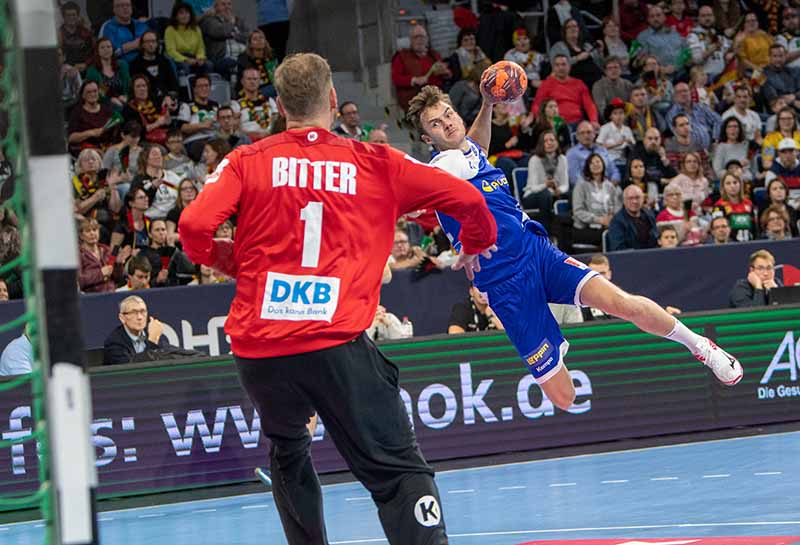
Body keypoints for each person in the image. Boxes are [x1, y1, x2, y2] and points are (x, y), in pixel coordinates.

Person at [179, 53, 498, 545]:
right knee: (397, 471)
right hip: (334, 343)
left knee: (288, 449)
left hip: (259, 350)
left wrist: (233, 261)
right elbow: (470, 200)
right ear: (332, 99)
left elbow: (194, 227)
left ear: (280, 105)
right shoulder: (375, 162)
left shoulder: (246, 160)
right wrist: (474, 245)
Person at [405, 81, 743, 425]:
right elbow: (430, 179)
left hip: (537, 252)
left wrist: (489, 104)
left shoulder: (467, 151)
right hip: (505, 284)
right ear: (428, 140)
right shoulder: (445, 164)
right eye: (436, 124)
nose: (447, 122)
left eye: (448, 114)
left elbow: (475, 144)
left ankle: (700, 346)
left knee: (621, 303)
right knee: (564, 397)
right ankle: (552, 344)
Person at [391, 24, 451, 113]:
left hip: (437, 93)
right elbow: (396, 78)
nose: (419, 40)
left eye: (422, 37)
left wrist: (445, 73)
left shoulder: (434, 55)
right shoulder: (402, 56)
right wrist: (414, 80)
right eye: (416, 37)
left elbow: (448, 74)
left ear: (427, 39)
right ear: (410, 40)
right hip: (415, 97)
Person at [526, 54, 599, 128]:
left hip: (578, 121)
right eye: (557, 65)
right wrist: (532, 117)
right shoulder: (546, 84)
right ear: (553, 68)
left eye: (563, 64)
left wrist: (594, 120)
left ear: (569, 66)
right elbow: (537, 104)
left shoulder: (579, 84)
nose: (561, 68)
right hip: (556, 122)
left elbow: (589, 105)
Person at [572, 153, 623, 248]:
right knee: (610, 237)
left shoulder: (610, 186)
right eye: (592, 163)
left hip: (607, 226)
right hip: (586, 228)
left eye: (598, 161)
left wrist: (611, 218)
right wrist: (599, 220)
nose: (595, 164)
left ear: (603, 164)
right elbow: (578, 211)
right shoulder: (581, 185)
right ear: (588, 167)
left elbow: (617, 207)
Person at [103, 295, 171, 364]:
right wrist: (152, 342)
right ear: (122, 318)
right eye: (133, 312)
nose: (139, 317)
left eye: (143, 311)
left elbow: (168, 355)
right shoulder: (114, 342)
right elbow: (132, 369)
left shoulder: (150, 332)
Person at [523, 130, 568, 229]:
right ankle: (546, 231)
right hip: (532, 195)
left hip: (554, 193)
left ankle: (565, 231)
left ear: (557, 142)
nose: (549, 143)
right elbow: (534, 188)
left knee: (571, 193)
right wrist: (546, 185)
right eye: (546, 141)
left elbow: (565, 184)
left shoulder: (562, 159)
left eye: (552, 140)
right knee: (545, 194)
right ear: (541, 144)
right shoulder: (535, 160)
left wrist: (559, 190)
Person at [199, 0, 249, 79]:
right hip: (221, 58)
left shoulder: (239, 20)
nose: (227, 7)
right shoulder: (209, 20)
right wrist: (230, 23)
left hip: (242, 56)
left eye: (229, 4)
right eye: (223, 4)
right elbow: (219, 32)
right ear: (216, 7)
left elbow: (247, 37)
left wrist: (234, 35)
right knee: (234, 63)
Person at [549, 18, 603, 90]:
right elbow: (556, 67)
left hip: (596, 82)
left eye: (575, 26)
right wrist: (577, 58)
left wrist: (600, 52)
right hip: (575, 83)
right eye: (569, 27)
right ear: (564, 31)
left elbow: (601, 65)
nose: (573, 29)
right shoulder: (558, 47)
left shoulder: (587, 46)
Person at [130, 144, 181, 220]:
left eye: (160, 154)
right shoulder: (139, 180)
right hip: (152, 218)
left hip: (174, 218)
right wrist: (152, 188)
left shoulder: (172, 176)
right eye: (154, 154)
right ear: (145, 158)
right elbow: (137, 204)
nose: (159, 157)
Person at [77, 217, 128, 293]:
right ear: (81, 236)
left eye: (94, 230)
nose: (92, 233)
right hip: (92, 297)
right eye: (88, 231)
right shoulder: (79, 254)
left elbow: (118, 278)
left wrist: (118, 264)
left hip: (111, 293)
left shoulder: (107, 250)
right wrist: (100, 274)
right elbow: (79, 281)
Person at [666, 82, 721, 150]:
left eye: (685, 91)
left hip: (712, 147)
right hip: (691, 151)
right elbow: (678, 135)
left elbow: (718, 120)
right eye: (679, 92)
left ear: (690, 92)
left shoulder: (701, 107)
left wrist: (715, 139)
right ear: (674, 96)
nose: (683, 94)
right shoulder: (672, 114)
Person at [129, 30, 180, 102]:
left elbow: (173, 84)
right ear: (142, 44)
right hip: (147, 102)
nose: (151, 44)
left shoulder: (165, 61)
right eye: (147, 42)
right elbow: (135, 89)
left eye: (153, 41)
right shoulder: (135, 64)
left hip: (167, 99)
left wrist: (170, 97)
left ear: (157, 44)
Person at [165, 2, 212, 79]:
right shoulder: (170, 30)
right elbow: (171, 51)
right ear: (176, 16)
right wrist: (186, 60)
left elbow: (201, 47)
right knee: (185, 67)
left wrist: (200, 57)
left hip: (194, 57)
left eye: (187, 13)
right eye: (181, 13)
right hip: (179, 58)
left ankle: (203, 87)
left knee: (208, 65)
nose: (185, 16)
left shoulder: (196, 28)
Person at [178, 74, 219, 161]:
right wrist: (202, 125)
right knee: (210, 149)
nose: (204, 88)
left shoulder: (216, 105)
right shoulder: (187, 105)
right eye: (200, 86)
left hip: (215, 137)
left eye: (206, 86)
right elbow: (182, 128)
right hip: (194, 140)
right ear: (194, 89)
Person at [687, 5, 734, 82]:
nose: (707, 18)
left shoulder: (717, 33)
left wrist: (731, 49)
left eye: (709, 15)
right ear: (698, 18)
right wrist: (714, 48)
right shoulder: (693, 35)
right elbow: (696, 59)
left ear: (714, 17)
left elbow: (726, 51)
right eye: (703, 16)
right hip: (706, 78)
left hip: (722, 76)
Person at [122, 75, 173, 145]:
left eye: (144, 86)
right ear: (133, 90)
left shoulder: (155, 101)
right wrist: (156, 124)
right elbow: (136, 132)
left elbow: (168, 123)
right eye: (138, 86)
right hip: (143, 141)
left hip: (163, 135)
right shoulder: (129, 108)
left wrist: (167, 111)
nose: (142, 89)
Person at [68, 81, 114, 156]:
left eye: (95, 91)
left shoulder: (107, 109)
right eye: (88, 92)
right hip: (85, 150)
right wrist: (90, 133)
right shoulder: (77, 112)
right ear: (83, 95)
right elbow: (71, 138)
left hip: (106, 147)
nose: (92, 94)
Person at [566, 122, 620, 186]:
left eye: (589, 132)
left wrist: (612, 182)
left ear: (594, 134)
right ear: (577, 136)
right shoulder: (572, 153)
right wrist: (594, 187)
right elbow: (574, 178)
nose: (586, 135)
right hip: (586, 189)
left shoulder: (602, 150)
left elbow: (614, 171)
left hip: (608, 186)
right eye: (582, 133)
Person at [231, 66, 278, 141]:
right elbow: (234, 130)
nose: (252, 82)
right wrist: (254, 136)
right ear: (242, 81)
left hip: (269, 140)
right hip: (247, 142)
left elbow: (277, 123)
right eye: (249, 79)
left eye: (255, 79)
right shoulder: (236, 104)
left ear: (259, 81)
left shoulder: (270, 101)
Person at [636, 5, 686, 75]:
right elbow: (639, 61)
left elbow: (685, 52)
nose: (655, 19)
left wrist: (676, 67)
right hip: (658, 75)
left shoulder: (674, 33)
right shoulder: (643, 36)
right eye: (652, 16)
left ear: (664, 17)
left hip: (681, 73)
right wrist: (659, 68)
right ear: (648, 20)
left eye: (658, 15)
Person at [607, 184, 658, 251]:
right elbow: (618, 248)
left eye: (637, 197)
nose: (634, 201)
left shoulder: (649, 215)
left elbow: (656, 239)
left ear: (643, 199)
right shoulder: (617, 221)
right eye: (630, 198)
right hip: (630, 257)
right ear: (624, 201)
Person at [85, 37, 131, 110]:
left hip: (123, 100)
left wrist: (125, 96)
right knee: (117, 107)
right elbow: (93, 93)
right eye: (102, 47)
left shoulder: (122, 65)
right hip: (103, 103)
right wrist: (110, 99)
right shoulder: (93, 71)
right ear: (97, 51)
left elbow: (129, 86)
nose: (106, 50)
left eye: (108, 47)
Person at [713, 173, 755, 241]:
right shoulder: (718, 206)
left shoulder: (749, 203)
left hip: (750, 243)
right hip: (729, 245)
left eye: (735, 182)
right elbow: (718, 229)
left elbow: (754, 227)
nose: (732, 186)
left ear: (740, 184)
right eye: (728, 183)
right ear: (723, 187)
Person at [236, 29, 278, 98]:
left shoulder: (271, 56)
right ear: (250, 44)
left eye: (261, 38)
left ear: (265, 41)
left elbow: (274, 78)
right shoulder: (244, 59)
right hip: (252, 91)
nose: (259, 41)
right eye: (255, 39)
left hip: (271, 88)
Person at [597, 98, 635, 172]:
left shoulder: (627, 129)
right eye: (615, 113)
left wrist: (630, 142)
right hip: (608, 160)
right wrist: (617, 144)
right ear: (610, 116)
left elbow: (634, 146)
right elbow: (598, 147)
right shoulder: (605, 128)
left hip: (624, 160)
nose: (619, 116)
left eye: (621, 113)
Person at [712, 117, 752, 182]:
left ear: (739, 129)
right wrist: (734, 174)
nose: (732, 129)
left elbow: (749, 169)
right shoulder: (721, 147)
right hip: (727, 181)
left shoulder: (745, 145)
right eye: (729, 127)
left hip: (744, 179)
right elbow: (718, 171)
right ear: (725, 130)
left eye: (735, 126)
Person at [59, 1, 94, 73]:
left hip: (85, 70)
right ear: (63, 17)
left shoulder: (86, 33)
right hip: (65, 72)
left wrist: (86, 64)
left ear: (78, 16)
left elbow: (94, 53)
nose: (71, 17)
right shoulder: (59, 34)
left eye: (74, 15)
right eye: (68, 15)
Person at [765, 138, 800, 207]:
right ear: (778, 153)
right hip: (782, 204)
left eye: (791, 151)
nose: (787, 155)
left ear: (797, 152)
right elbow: (771, 195)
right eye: (783, 152)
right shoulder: (773, 171)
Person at [166, 178, 198, 244]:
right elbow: (170, 237)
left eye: (191, 188)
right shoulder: (174, 213)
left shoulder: (202, 211)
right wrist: (192, 237)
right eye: (185, 189)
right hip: (182, 249)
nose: (189, 191)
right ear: (180, 193)